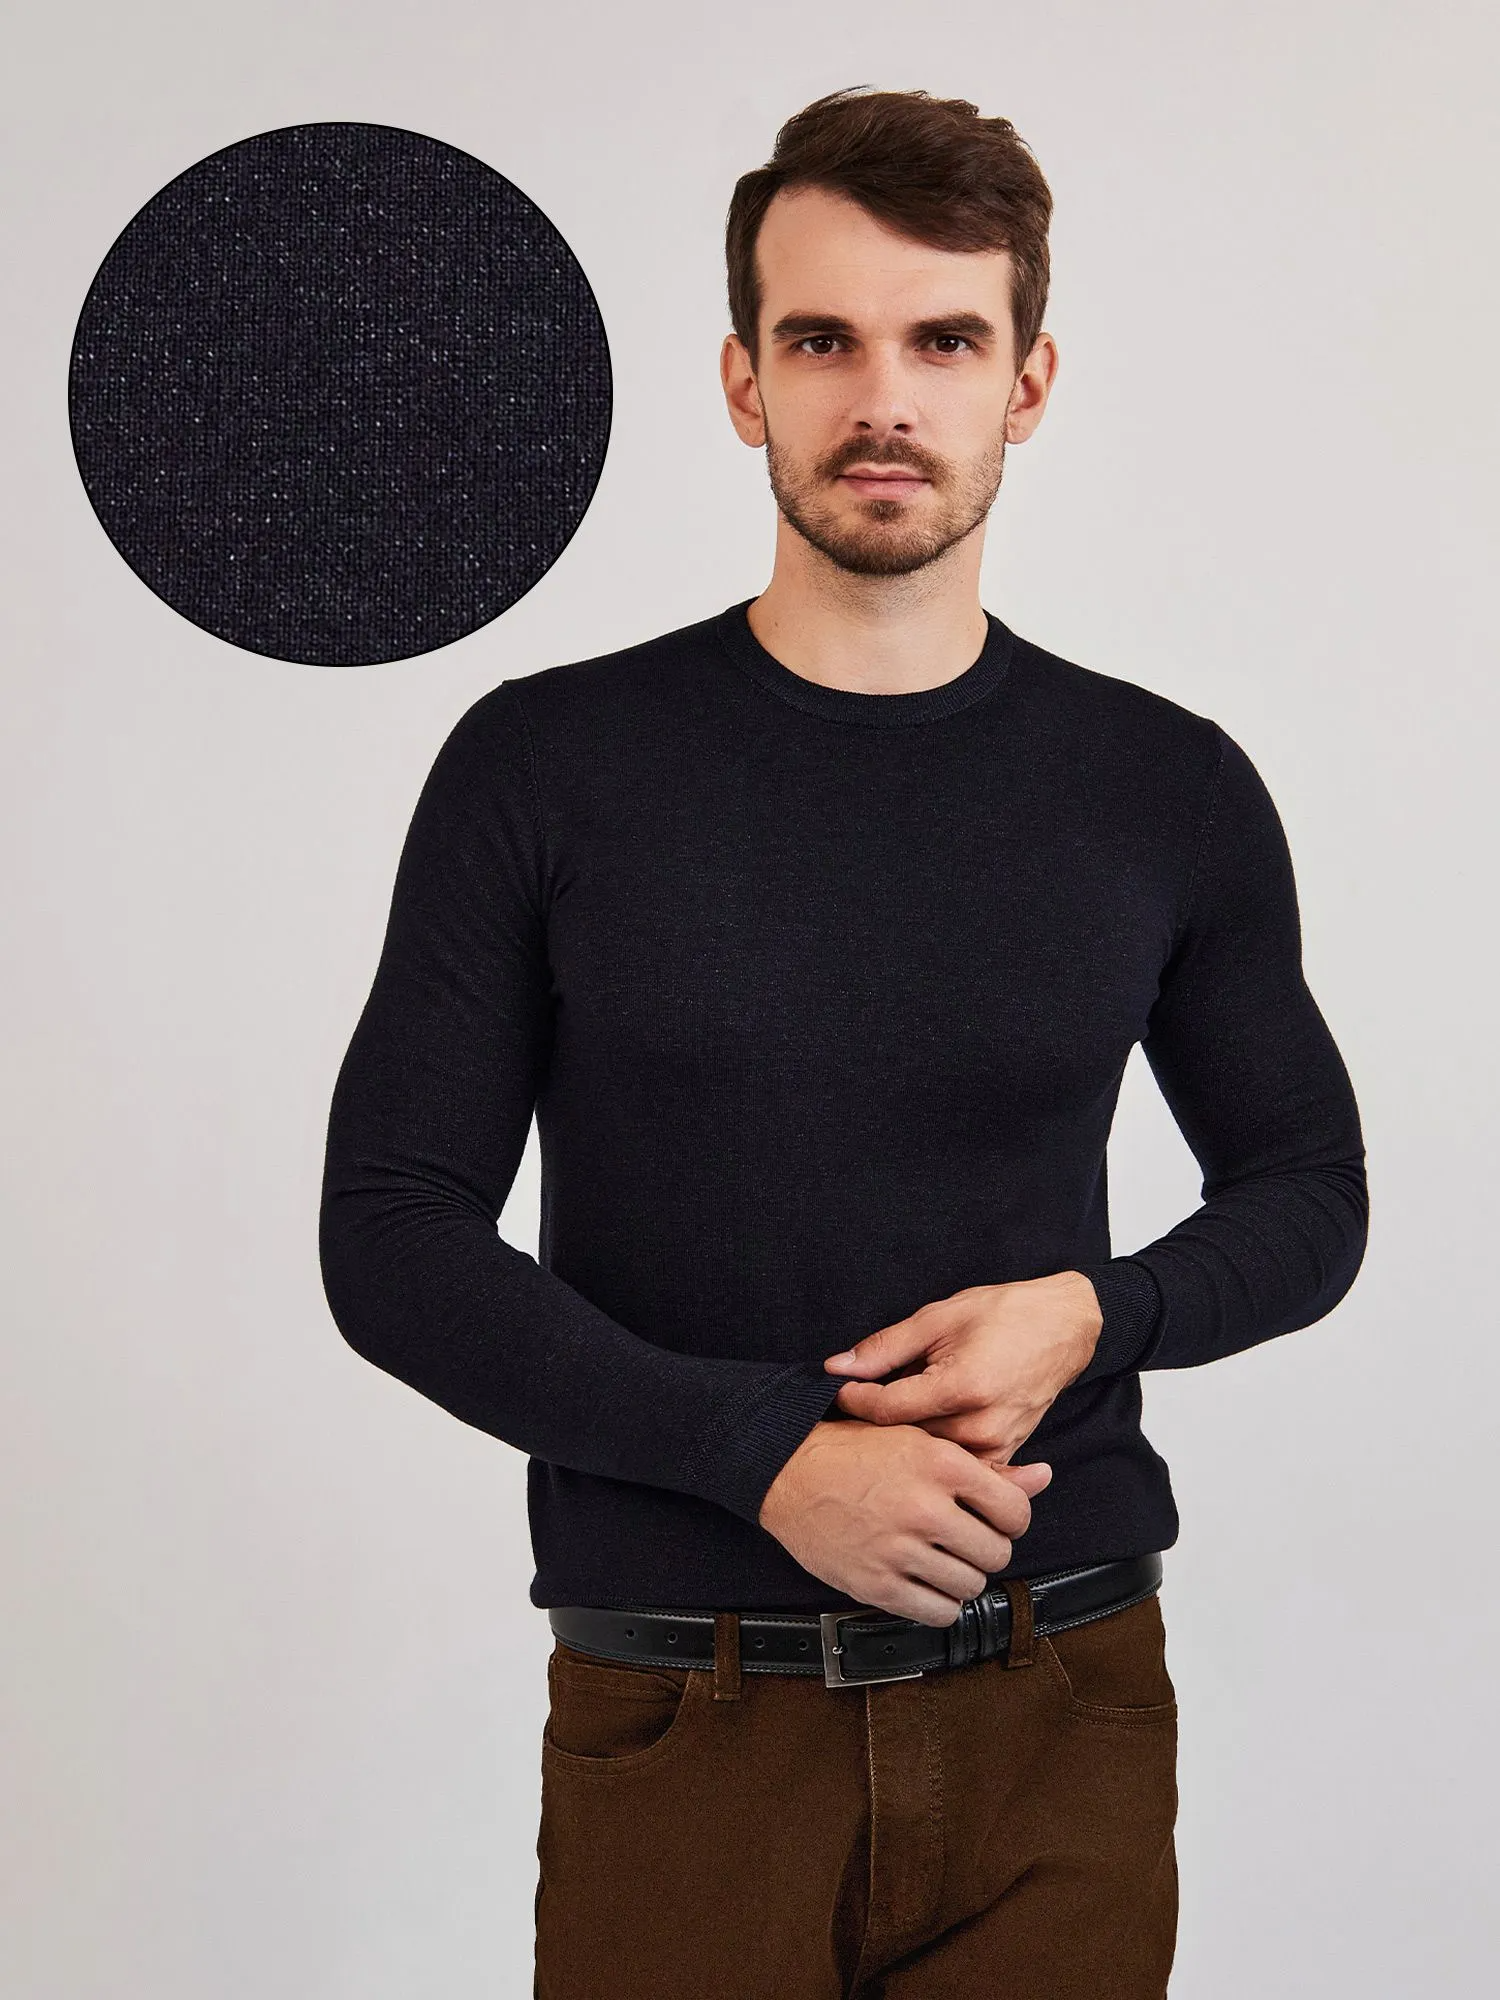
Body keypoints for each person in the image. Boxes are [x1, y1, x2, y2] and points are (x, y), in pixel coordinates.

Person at [318, 86, 1368, 1999]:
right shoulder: (545, 766)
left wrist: (1099, 1314)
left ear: (1027, 382)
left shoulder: (1168, 786)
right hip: (689, 1728)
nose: (884, 400)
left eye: (943, 342)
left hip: (1065, 1708)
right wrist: (762, 1458)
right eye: (823, 342)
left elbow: (1310, 1191)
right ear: (744, 382)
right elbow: (390, 1235)